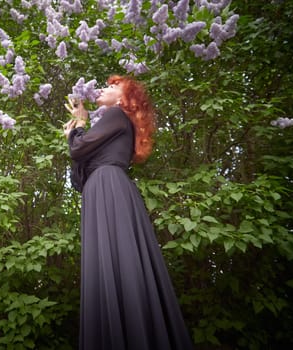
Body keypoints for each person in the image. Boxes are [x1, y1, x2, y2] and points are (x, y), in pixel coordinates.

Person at [63, 75, 193, 350]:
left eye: (112, 86)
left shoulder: (116, 115)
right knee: (116, 264)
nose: (105, 88)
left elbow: (78, 150)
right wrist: (77, 131)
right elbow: (79, 178)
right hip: (101, 190)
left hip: (109, 189)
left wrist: (80, 127)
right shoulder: (114, 123)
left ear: (124, 99)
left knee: (119, 264)